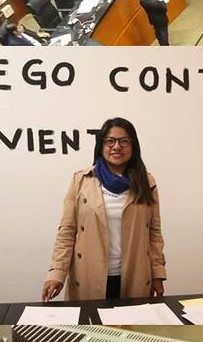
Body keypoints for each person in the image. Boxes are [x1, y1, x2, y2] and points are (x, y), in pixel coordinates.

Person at [43, 118, 166, 302]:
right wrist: (57, 273)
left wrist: (157, 273)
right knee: (90, 328)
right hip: (88, 275)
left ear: (133, 146)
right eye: (110, 141)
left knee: (129, 328)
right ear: (101, 145)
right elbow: (67, 231)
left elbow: (154, 233)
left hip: (135, 275)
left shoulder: (147, 183)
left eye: (124, 141)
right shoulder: (81, 181)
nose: (117, 146)